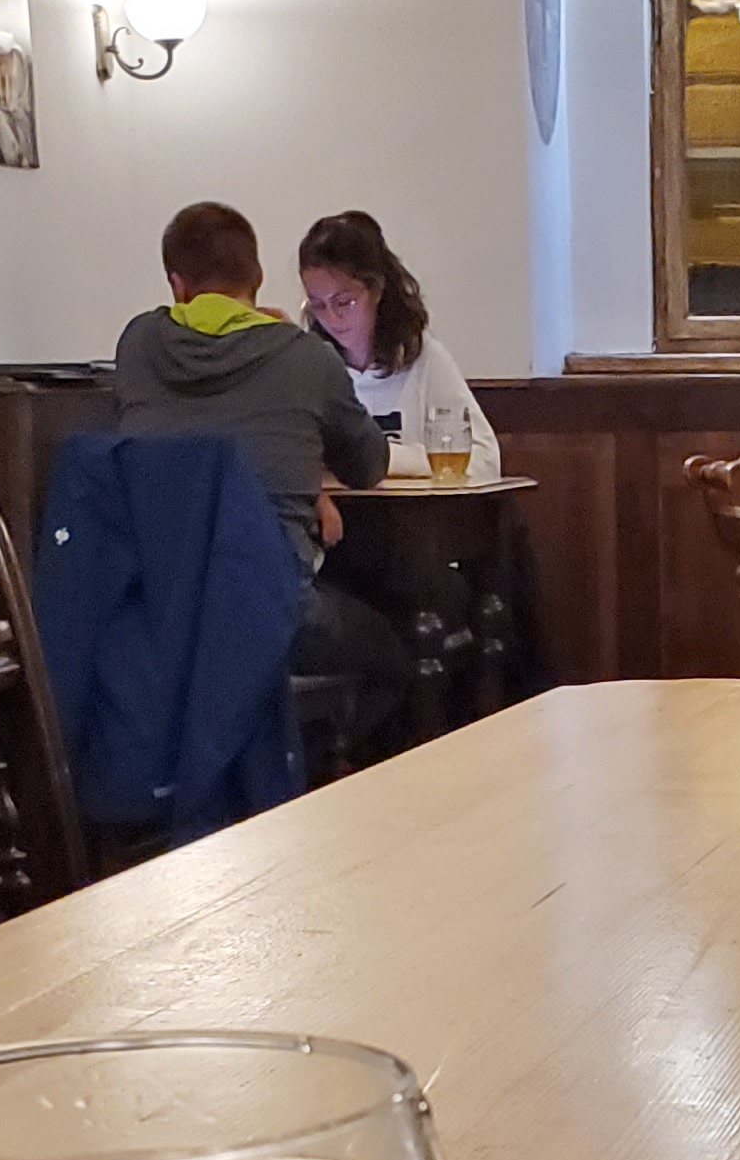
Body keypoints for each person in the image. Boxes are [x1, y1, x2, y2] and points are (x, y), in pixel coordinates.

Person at [111, 200, 410, 754]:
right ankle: (316, 776)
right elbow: (369, 465)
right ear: (259, 276)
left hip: (156, 614)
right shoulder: (306, 358)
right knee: (393, 657)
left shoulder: (137, 345)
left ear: (176, 284)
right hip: (274, 614)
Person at [297, 213, 500, 474]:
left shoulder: (423, 359)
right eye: (317, 305)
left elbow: (485, 460)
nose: (332, 318)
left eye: (344, 302)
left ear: (377, 289)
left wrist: (385, 457)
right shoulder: (312, 366)